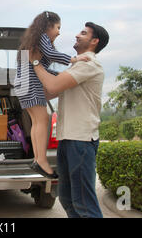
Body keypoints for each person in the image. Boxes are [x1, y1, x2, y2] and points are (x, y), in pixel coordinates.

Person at [29, 22, 109, 218]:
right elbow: (48, 92)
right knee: (67, 199)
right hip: (67, 139)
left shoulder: (89, 64)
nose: (76, 36)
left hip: (80, 140)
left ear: (94, 41)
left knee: (83, 203)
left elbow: (54, 86)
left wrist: (36, 62)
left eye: (83, 33)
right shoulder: (76, 66)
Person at [14, 11, 89, 178]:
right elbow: (51, 55)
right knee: (42, 120)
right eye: (58, 27)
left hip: (22, 84)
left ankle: (37, 159)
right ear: (48, 26)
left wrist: (59, 76)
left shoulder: (33, 40)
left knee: (36, 121)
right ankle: (41, 161)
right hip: (30, 83)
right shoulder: (42, 37)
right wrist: (73, 60)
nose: (59, 32)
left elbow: (42, 67)